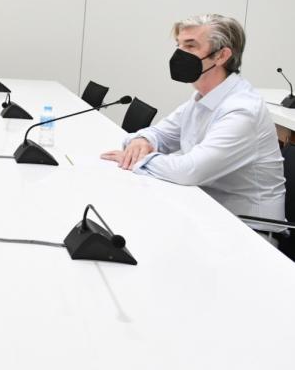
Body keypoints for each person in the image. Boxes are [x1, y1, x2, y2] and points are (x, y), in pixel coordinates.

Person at [101, 14, 285, 227]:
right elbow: (161, 134)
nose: (179, 54)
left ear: (221, 56)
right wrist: (141, 141)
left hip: (248, 228)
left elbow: (189, 171)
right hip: (207, 211)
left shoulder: (242, 110)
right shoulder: (202, 97)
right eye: (178, 45)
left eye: (190, 46)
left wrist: (137, 160)